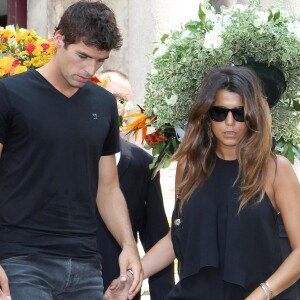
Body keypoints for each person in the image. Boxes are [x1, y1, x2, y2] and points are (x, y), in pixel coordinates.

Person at [105, 66, 300, 299]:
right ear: (207, 117)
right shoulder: (189, 165)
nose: (230, 122)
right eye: (220, 112)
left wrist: (261, 294)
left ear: (253, 116)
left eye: (240, 113)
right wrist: (134, 276)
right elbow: (176, 238)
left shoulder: (275, 170)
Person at [0, 2, 143, 300]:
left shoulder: (104, 103)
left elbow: (108, 187)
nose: (90, 69)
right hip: (21, 260)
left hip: (86, 265)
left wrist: (129, 247)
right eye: (82, 56)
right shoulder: (9, 94)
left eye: (100, 61)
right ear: (58, 39)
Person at [96, 70, 175, 300]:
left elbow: (157, 235)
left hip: (119, 286)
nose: (118, 106)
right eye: (112, 96)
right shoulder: (64, 154)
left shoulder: (143, 164)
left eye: (124, 101)